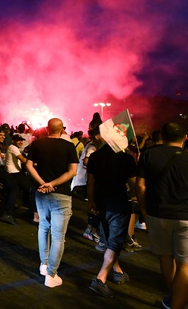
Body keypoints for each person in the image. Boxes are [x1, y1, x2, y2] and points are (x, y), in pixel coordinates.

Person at [136, 122, 188, 309]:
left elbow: (140, 185)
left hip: (157, 214)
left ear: (162, 137)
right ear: (185, 138)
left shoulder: (149, 154)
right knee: (185, 264)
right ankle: (178, 303)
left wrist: (143, 210)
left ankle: (175, 297)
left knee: (165, 258)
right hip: (185, 216)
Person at [26, 118, 78, 288]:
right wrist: (53, 184)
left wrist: (43, 182)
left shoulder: (37, 144)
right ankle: (51, 275)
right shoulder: (69, 146)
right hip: (61, 194)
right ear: (62, 129)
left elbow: (29, 165)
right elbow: (73, 171)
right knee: (58, 236)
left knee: (43, 227)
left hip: (41, 192)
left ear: (47, 129)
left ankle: (44, 265)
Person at [86, 143, 137, 297]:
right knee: (115, 241)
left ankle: (118, 271)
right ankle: (100, 279)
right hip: (118, 202)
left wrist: (91, 201)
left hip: (102, 201)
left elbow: (91, 181)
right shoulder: (126, 157)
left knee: (109, 237)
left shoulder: (95, 156)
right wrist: (138, 198)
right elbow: (133, 182)